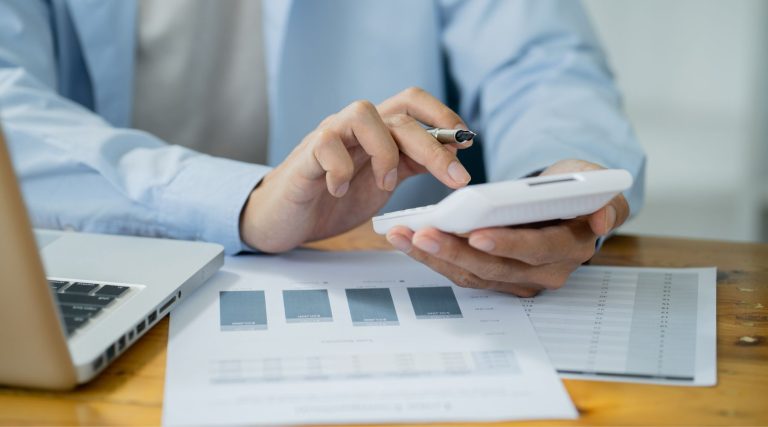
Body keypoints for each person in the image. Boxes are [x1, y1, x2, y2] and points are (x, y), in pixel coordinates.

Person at [0, 0, 645, 297]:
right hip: (111, 277)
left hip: (407, 284)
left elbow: (544, 64)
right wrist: (248, 204)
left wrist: (556, 183)